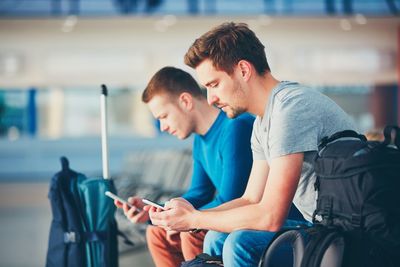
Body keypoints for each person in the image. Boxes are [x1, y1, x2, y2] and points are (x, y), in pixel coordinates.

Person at [147, 22, 356, 266]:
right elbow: (250, 199)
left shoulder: (290, 109)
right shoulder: (262, 121)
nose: (211, 98)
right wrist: (192, 215)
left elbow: (270, 216)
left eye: (214, 85)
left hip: (343, 233)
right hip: (318, 226)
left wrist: (194, 220)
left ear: (243, 70)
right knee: (216, 236)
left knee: (240, 242)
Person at [114, 66, 254, 267]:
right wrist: (156, 212)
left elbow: (230, 200)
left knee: (191, 235)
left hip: (244, 215)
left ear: (186, 101)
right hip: (225, 214)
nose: (162, 127)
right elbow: (199, 194)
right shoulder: (200, 140)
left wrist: (186, 221)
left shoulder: (234, 127)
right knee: (157, 233)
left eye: (163, 117)